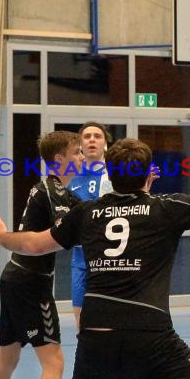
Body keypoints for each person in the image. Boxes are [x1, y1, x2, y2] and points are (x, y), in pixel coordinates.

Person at [0, 130, 190, 379]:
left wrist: (1, 238)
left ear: (109, 173)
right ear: (146, 173)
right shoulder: (167, 208)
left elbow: (34, 245)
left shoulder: (85, 213)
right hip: (150, 334)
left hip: (95, 336)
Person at [0, 131, 83, 379]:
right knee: (54, 363)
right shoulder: (54, 192)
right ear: (59, 159)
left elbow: (86, 214)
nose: (83, 157)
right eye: (77, 152)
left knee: (7, 359)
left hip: (14, 277)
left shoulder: (61, 192)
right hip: (31, 283)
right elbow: (66, 231)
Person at [67, 122, 112, 331]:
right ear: (80, 145)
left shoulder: (115, 175)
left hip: (108, 259)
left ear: (105, 143)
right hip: (80, 261)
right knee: (82, 323)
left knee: (109, 321)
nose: (92, 140)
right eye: (87, 137)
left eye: (97, 136)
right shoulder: (70, 177)